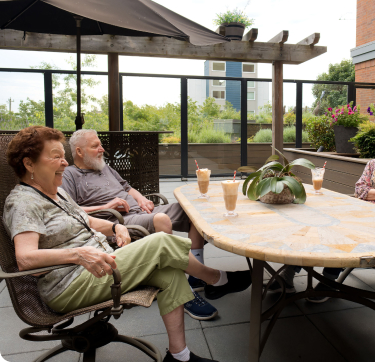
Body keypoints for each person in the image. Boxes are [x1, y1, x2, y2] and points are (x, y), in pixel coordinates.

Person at [4, 126, 252, 362]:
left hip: (100, 268)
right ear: (29, 164)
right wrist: (78, 254)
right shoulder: (23, 202)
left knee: (170, 274)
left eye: (64, 156)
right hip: (70, 285)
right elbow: (25, 259)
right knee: (161, 243)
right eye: (57, 157)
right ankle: (216, 279)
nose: (65, 163)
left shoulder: (55, 192)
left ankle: (179, 356)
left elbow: (85, 219)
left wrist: (116, 226)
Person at [269, 120, 375, 302]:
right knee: (317, 223)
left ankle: (329, 280)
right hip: (359, 217)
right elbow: (360, 190)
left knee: (339, 231)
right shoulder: (373, 165)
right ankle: (290, 271)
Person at [61, 129, 215, 321]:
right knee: (162, 220)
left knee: (192, 211)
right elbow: (70, 211)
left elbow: (127, 187)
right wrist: (106, 206)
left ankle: (197, 274)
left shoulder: (105, 168)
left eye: (100, 144)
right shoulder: (70, 175)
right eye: (95, 146)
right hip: (117, 222)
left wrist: (141, 199)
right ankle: (186, 292)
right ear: (79, 152)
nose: (102, 149)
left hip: (141, 213)